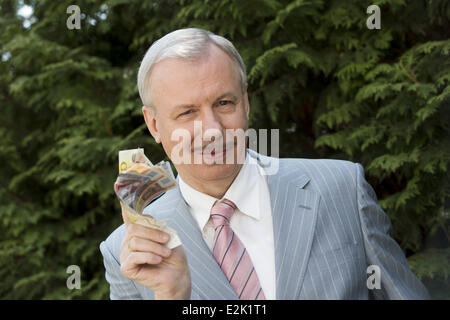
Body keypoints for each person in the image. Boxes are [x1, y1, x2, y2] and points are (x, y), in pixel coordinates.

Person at [99, 28, 430, 300]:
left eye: (224, 103)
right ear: (154, 125)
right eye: (187, 113)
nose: (212, 130)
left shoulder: (342, 189)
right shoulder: (126, 253)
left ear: (246, 102)